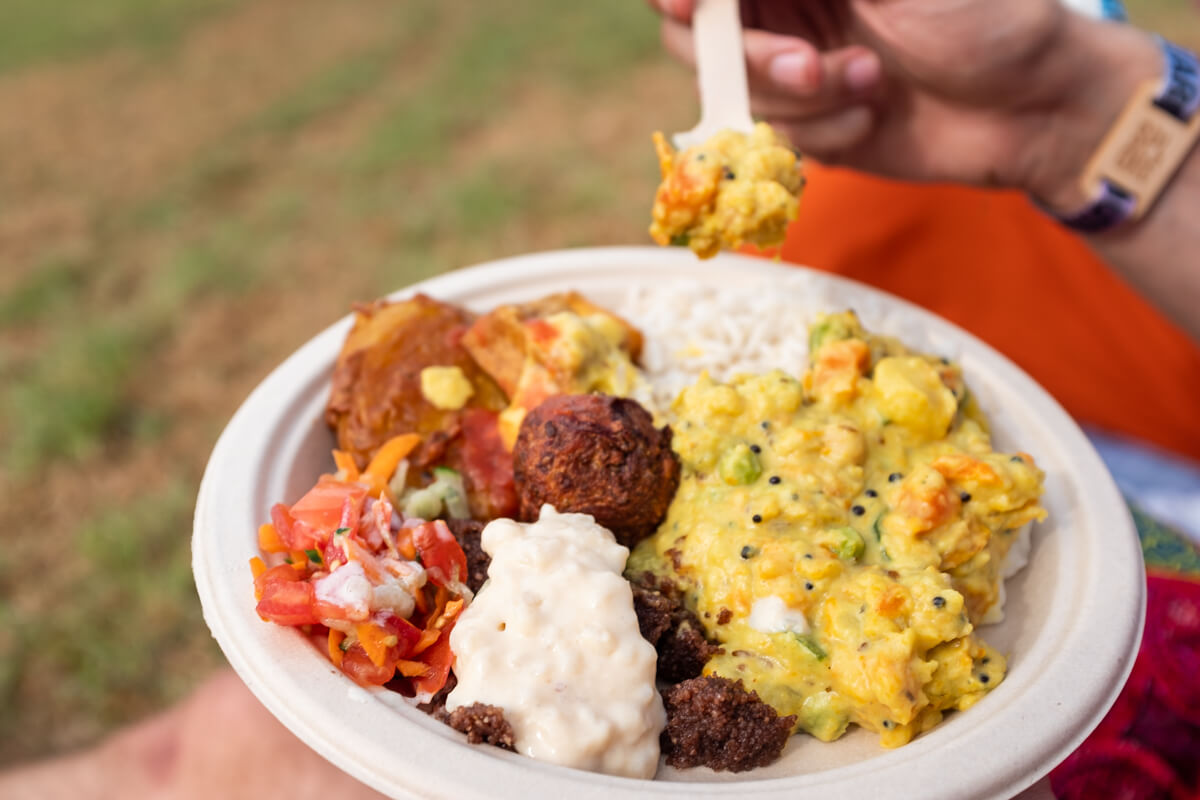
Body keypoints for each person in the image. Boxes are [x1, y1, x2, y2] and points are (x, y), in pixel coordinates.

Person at [2, 1, 1197, 797]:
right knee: (199, 751)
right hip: (835, 297)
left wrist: (1078, 114)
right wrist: (1071, 111)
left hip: (1145, 479)